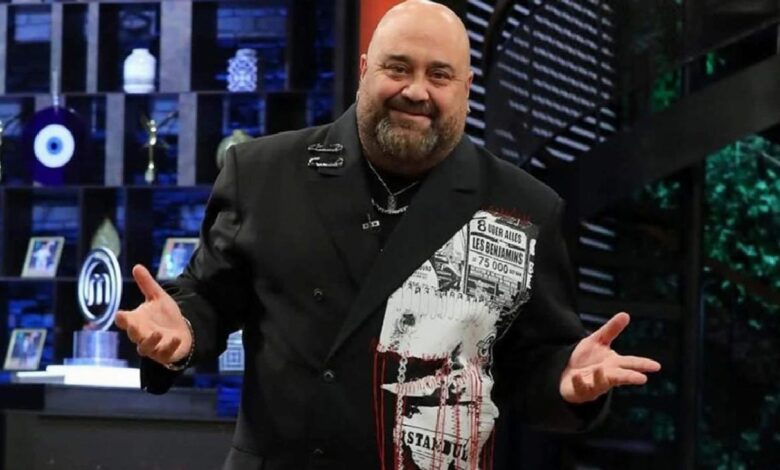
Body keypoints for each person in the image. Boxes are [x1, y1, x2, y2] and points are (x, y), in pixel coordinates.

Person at [115, 2, 661, 469]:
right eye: (397, 68)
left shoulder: (523, 208)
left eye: (439, 75)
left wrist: (565, 378)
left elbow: (534, 361)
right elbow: (211, 298)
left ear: (467, 88)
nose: (416, 91)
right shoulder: (263, 173)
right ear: (364, 70)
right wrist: (182, 328)